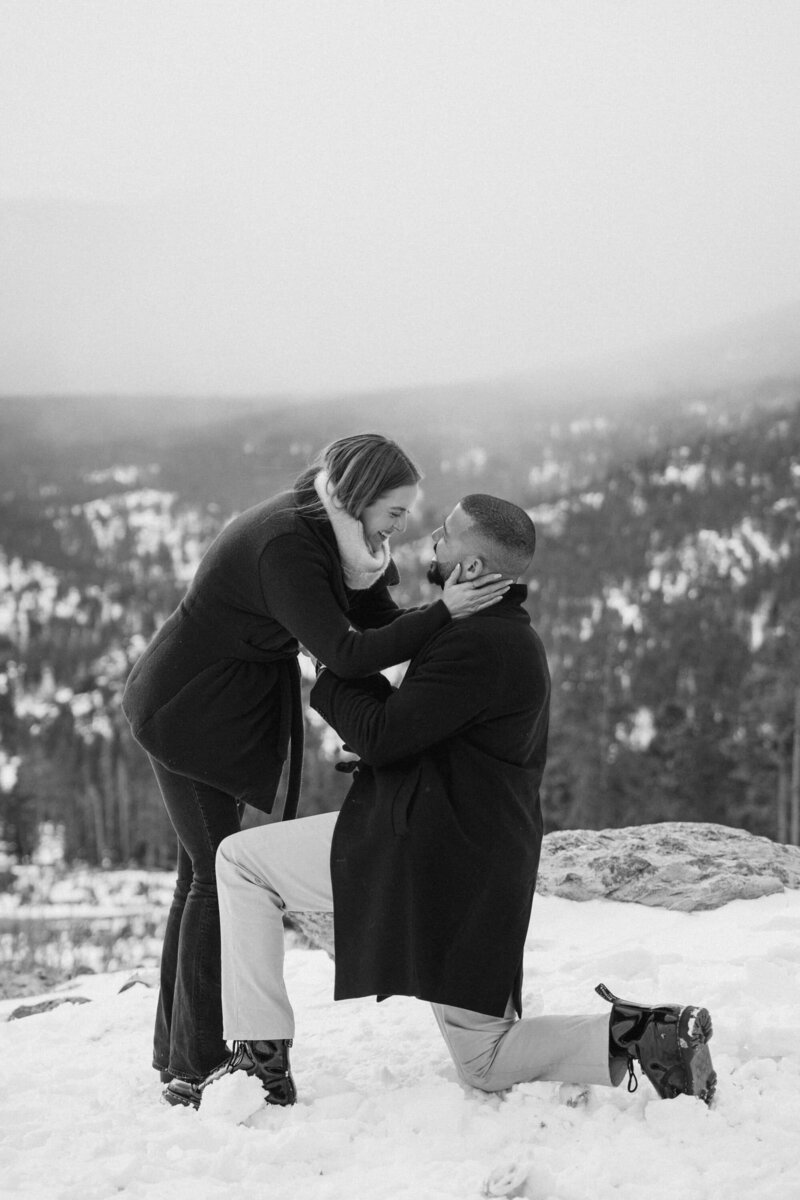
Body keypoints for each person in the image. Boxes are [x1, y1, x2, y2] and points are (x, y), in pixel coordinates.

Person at [205, 493, 716, 1112]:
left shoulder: (477, 646)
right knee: (486, 1059)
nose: (432, 545)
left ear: (472, 569)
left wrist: (331, 669)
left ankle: (260, 1063)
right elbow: (431, 733)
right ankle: (648, 1035)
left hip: (433, 853)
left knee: (241, 863)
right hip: (480, 857)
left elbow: (386, 733)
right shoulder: (501, 636)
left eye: (445, 538)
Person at [121, 436, 510, 1107]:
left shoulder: (347, 544)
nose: (400, 526)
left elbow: (380, 619)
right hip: (184, 706)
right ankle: (195, 1068)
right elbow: (345, 652)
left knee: (200, 872)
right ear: (357, 499)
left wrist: (457, 642)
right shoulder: (288, 546)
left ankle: (177, 1053)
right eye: (393, 511)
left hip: (223, 703)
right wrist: (443, 613)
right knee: (216, 872)